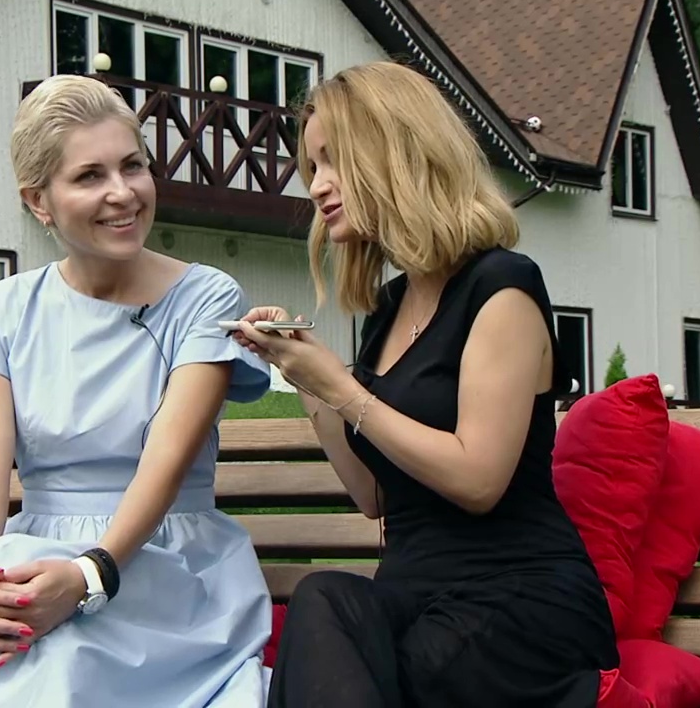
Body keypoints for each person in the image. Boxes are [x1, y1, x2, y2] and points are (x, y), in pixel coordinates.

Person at [0, 74, 275, 708]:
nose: (122, 193)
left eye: (133, 166)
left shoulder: (204, 298)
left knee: (45, 671)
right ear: (38, 200)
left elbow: (164, 462)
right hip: (30, 557)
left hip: (167, 568)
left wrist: (87, 574)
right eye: (89, 176)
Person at [230, 61, 618, 708]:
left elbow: (478, 481)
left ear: (398, 153)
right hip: (414, 596)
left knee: (402, 668)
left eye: (333, 161)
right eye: (312, 167)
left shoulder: (502, 287)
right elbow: (374, 496)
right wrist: (305, 375)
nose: (318, 186)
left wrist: (346, 389)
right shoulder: (388, 310)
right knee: (323, 598)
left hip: (517, 599)